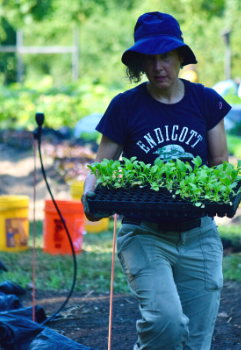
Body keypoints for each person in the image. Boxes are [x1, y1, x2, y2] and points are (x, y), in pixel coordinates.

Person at [81, 12, 231, 349]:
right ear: (140, 64)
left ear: (180, 57)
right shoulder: (125, 106)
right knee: (166, 323)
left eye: (165, 56)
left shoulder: (205, 101)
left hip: (199, 234)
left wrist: (222, 192)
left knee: (195, 340)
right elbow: (101, 165)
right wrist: (89, 195)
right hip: (145, 234)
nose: (158, 66)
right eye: (149, 59)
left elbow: (220, 161)